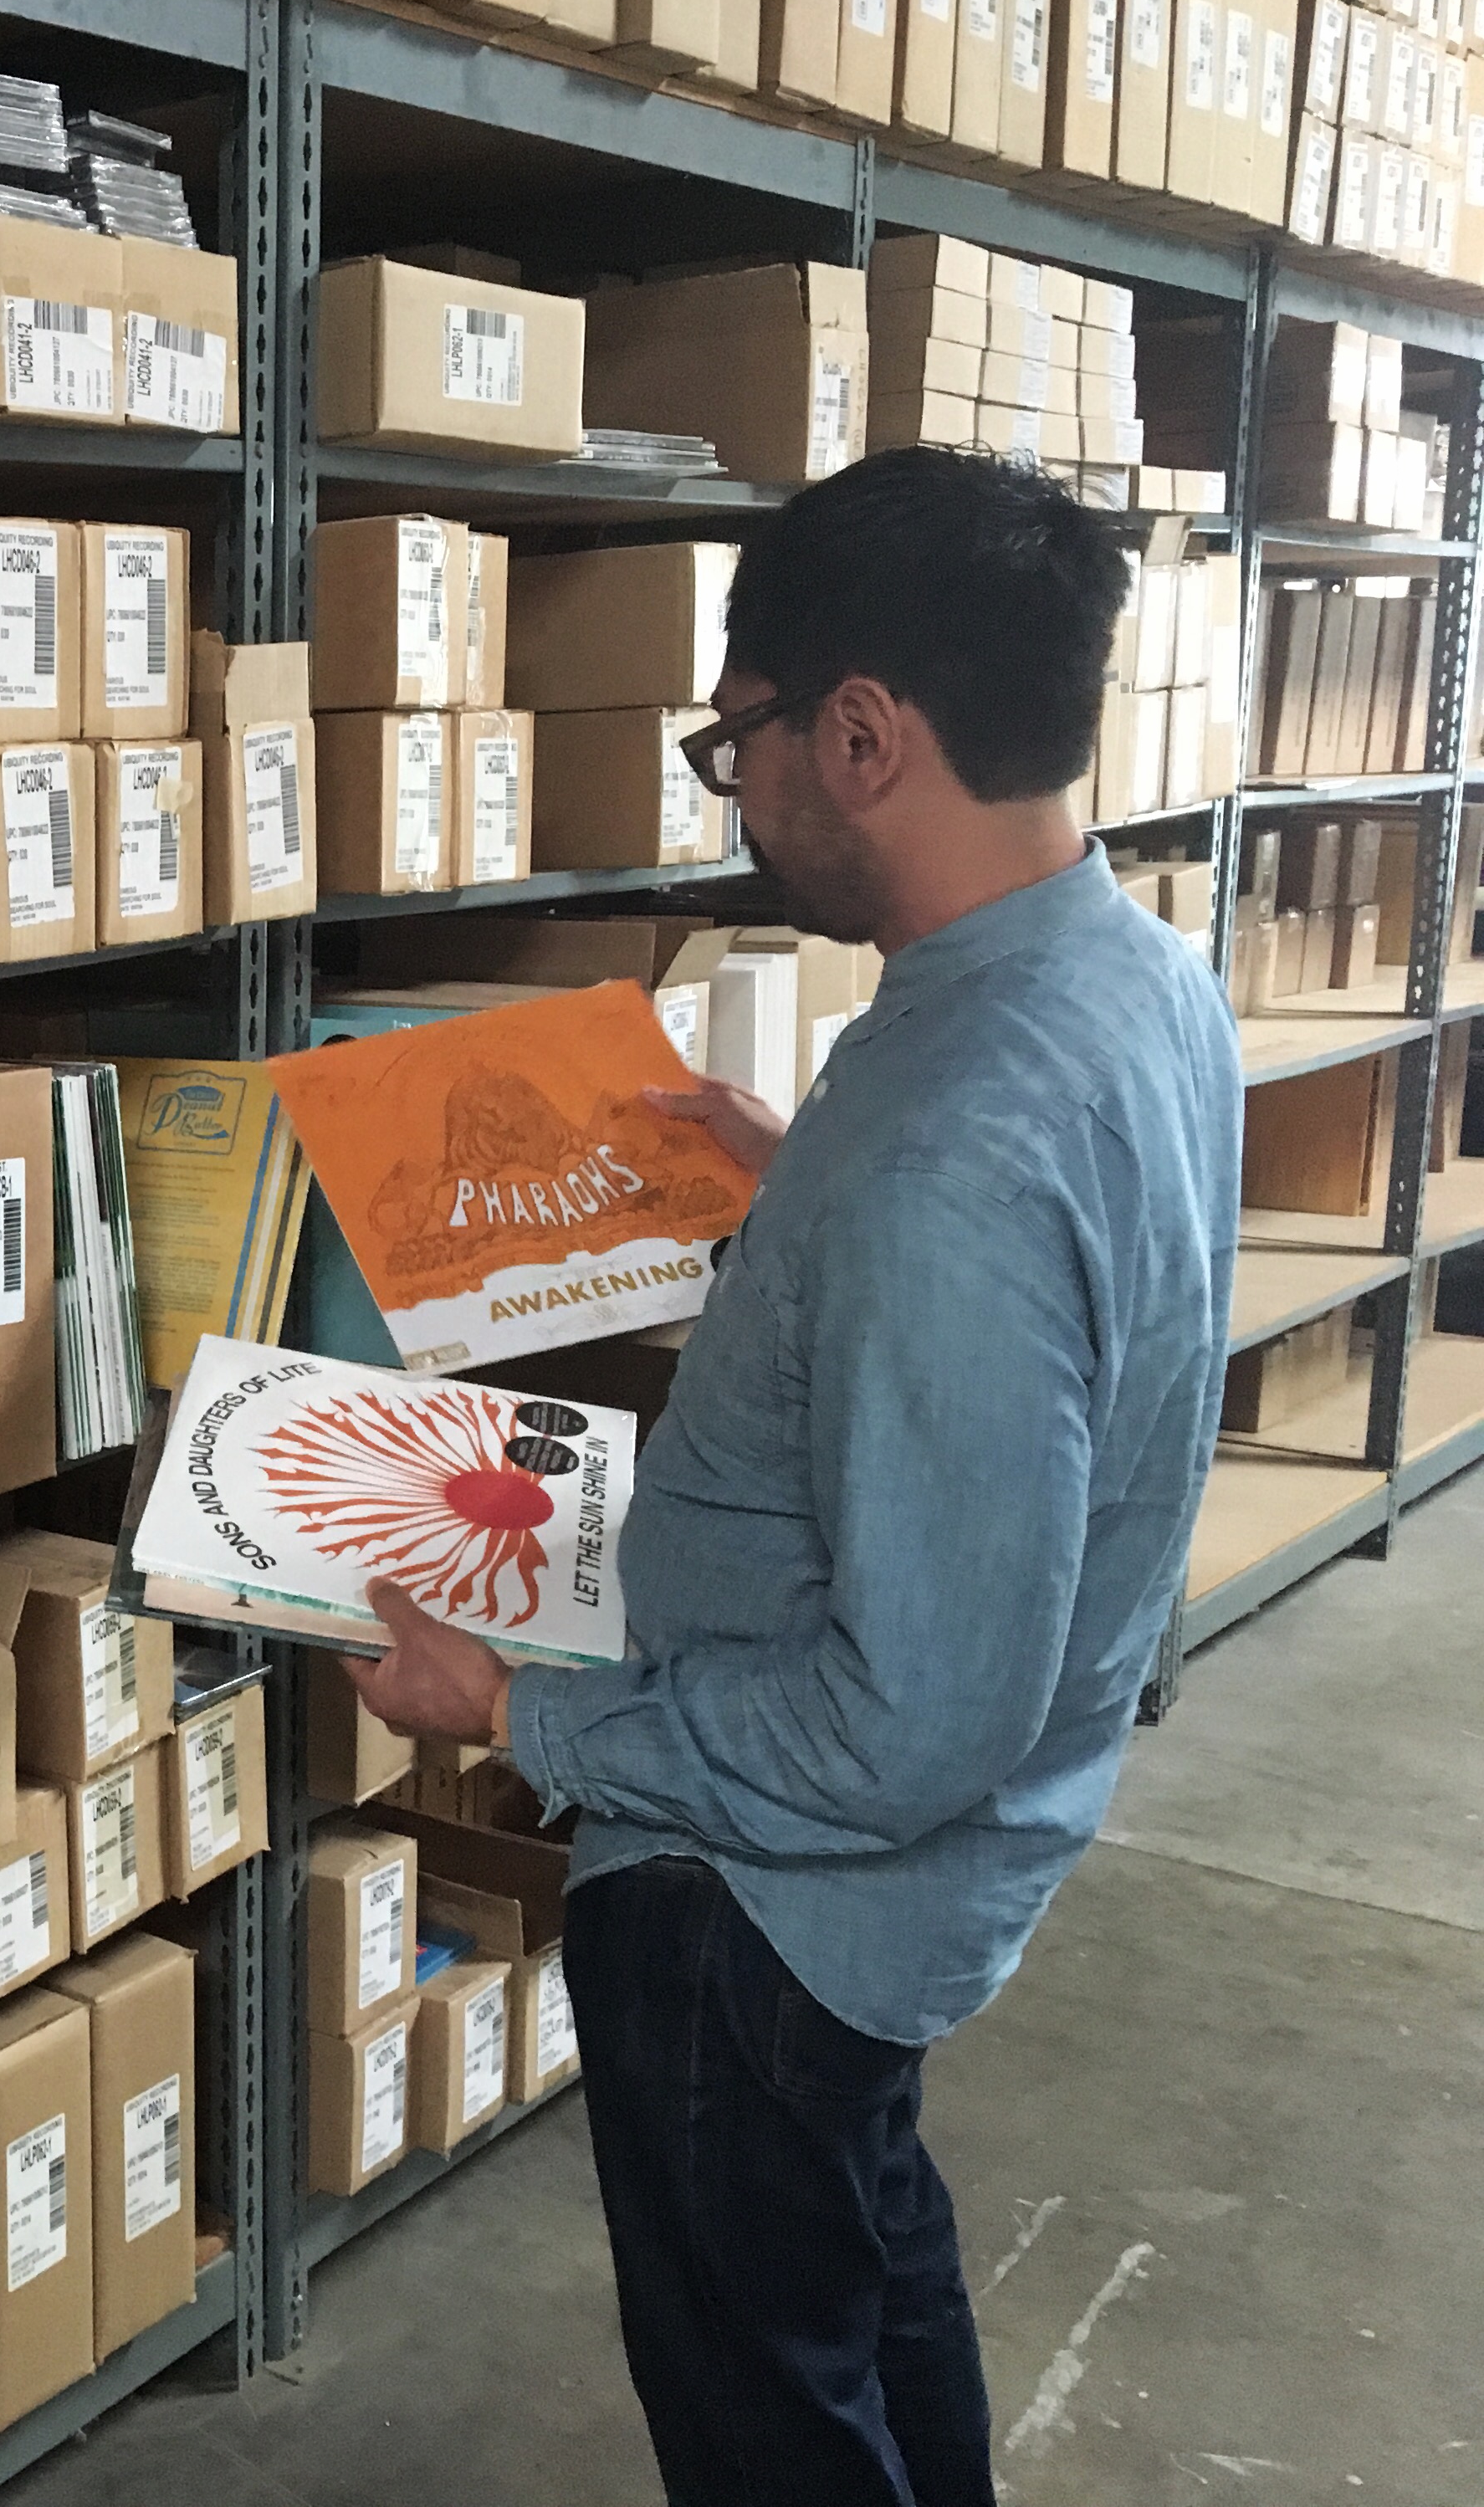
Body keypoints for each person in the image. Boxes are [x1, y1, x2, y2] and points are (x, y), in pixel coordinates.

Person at [345, 448, 1241, 2507]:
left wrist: (516, 1708)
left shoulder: (950, 1154)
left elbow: (913, 1717)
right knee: (862, 2263)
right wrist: (796, 1179)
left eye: (736, 739)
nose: (733, 789)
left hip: (774, 1908)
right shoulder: (1119, 986)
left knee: (765, 2407)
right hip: (906, 1900)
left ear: (862, 733)